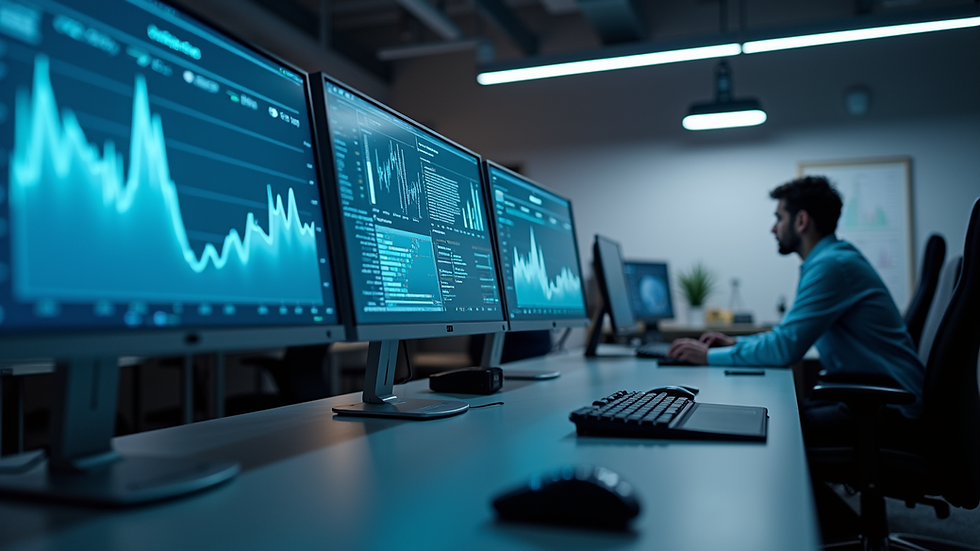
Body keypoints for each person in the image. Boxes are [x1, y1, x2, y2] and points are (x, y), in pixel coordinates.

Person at [666, 176, 925, 424]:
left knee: (776, 424)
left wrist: (708, 356)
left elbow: (785, 348)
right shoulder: (832, 260)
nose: (773, 227)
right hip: (872, 399)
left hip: (889, 409)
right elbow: (786, 336)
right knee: (768, 414)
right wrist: (734, 342)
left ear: (801, 221)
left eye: (779, 218)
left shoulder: (832, 266)